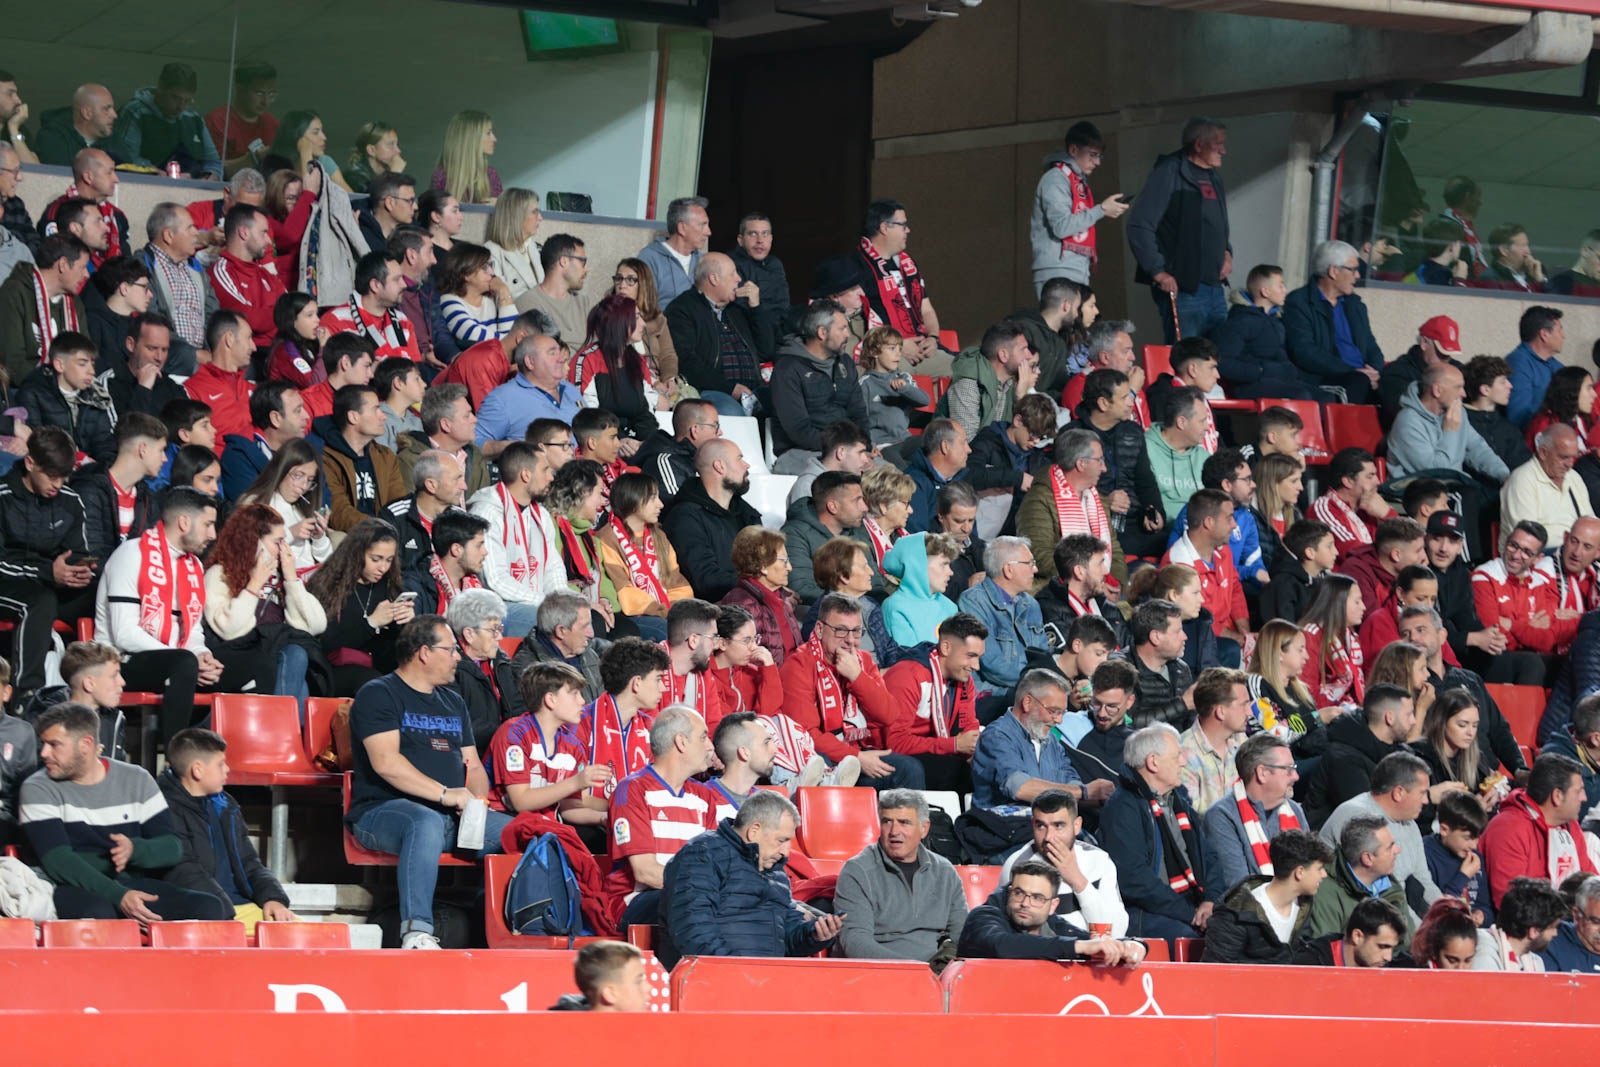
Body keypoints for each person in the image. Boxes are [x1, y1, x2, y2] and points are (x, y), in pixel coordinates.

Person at [345, 615, 509, 948]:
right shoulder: (379, 693)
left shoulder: (454, 702)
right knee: (424, 821)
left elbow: (474, 766)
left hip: (451, 819)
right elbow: (387, 763)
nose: (458, 657)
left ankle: (510, 930)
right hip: (381, 814)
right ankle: (416, 931)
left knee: (523, 832)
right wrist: (446, 794)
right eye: (450, 650)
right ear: (424, 652)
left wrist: (477, 804)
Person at [20, 702, 230, 922]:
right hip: (70, 886)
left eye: (54, 745)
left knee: (209, 908)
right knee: (99, 913)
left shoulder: (136, 779)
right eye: (43, 744)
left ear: (86, 744)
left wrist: (134, 850)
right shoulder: (37, 787)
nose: (44, 753)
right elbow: (59, 861)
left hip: (132, 883)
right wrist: (119, 896)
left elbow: (172, 847)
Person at [658, 789, 840, 967]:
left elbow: (786, 939)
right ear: (754, 831)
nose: (786, 851)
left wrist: (814, 934)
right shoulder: (702, 854)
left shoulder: (776, 873)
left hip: (763, 981)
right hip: (715, 980)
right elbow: (694, 930)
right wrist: (737, 972)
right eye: (781, 840)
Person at [781, 593, 924, 789]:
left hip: (861, 749)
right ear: (820, 629)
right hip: (824, 758)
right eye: (841, 631)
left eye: (856, 632)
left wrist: (858, 677)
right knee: (820, 763)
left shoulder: (863, 661)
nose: (850, 640)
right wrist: (855, 757)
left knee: (909, 769)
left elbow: (888, 715)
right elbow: (806, 735)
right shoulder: (798, 665)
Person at [157, 728, 294, 929]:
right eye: (220, 764)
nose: (227, 769)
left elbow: (250, 862)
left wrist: (273, 898)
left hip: (242, 907)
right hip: (211, 912)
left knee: (312, 938)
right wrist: (224, 911)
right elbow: (184, 871)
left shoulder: (225, 805)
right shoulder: (164, 809)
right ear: (197, 770)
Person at [603, 702, 718, 927]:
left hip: (690, 895)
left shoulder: (704, 796)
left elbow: (712, 865)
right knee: (694, 902)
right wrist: (705, 888)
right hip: (636, 901)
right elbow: (645, 873)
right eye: (703, 737)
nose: (710, 746)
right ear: (681, 742)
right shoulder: (633, 789)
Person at [0, 427, 96, 698]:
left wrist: (80, 570)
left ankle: (90, 693)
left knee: (102, 591)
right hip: (9, 581)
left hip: (51, 581)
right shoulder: (3, 496)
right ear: (30, 464)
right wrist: (47, 572)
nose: (58, 484)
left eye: (64, 477)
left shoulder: (71, 502)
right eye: (52, 476)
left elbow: (77, 551)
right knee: (40, 601)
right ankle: (25, 695)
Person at [1099, 722, 1212, 939]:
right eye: (1176, 756)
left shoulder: (1179, 801)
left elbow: (1209, 856)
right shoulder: (1123, 807)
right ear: (1153, 762)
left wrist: (1210, 901)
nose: (1183, 761)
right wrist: (1190, 913)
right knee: (1193, 939)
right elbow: (1134, 880)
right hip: (1144, 912)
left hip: (1191, 904)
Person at [1125, 117, 1231, 342]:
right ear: (1199, 144)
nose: (1224, 150)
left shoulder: (1213, 176)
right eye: (1218, 143)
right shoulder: (1169, 173)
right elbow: (1139, 225)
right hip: (1185, 290)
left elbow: (1217, 224)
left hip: (1215, 287)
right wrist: (1158, 272)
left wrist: (1227, 252)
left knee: (1218, 356)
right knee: (1187, 357)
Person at [833, 789, 966, 960]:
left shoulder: (945, 871)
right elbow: (855, 942)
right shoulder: (857, 871)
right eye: (887, 822)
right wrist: (914, 970)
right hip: (880, 974)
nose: (894, 831)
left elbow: (961, 934)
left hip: (936, 971)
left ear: (924, 828)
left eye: (904, 822)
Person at [1320, 750, 1448, 922]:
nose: (1426, 800)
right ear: (1399, 793)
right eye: (1422, 793)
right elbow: (1382, 895)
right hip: (1356, 917)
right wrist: (1424, 937)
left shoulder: (1409, 823)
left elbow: (1423, 881)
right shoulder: (1357, 817)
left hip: (1396, 915)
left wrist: (1449, 914)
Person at [486, 661, 608, 825]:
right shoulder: (514, 734)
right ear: (550, 700)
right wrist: (575, 782)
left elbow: (571, 807)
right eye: (575, 693)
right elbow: (520, 801)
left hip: (544, 825)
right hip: (502, 819)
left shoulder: (573, 745)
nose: (583, 701)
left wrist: (609, 814)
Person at [958, 858, 1145, 965]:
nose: (1025, 903)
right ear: (1009, 892)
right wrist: (1079, 947)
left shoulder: (1052, 925)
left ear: (1053, 906)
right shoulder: (983, 917)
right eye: (1019, 893)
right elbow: (1001, 945)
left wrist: (1134, 945)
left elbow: (1091, 942)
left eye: (1037, 898)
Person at [997, 788, 1130, 934]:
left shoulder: (1099, 861)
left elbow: (1115, 932)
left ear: (1076, 826)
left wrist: (1078, 881)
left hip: (1094, 952)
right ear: (1033, 823)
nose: (1048, 837)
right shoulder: (1017, 864)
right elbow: (1007, 930)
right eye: (1041, 826)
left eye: (1058, 826)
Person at [306, 517, 414, 695]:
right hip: (333, 670)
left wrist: (405, 624)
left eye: (388, 560)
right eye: (376, 559)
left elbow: (388, 647)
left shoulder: (388, 586)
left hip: (377, 668)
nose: (383, 567)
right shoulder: (328, 585)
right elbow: (324, 643)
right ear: (357, 553)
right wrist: (370, 623)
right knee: (373, 683)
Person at [466, 441, 563, 638]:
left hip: (535, 601)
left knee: (582, 617)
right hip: (496, 608)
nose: (551, 477)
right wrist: (547, 603)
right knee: (556, 622)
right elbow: (495, 581)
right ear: (526, 474)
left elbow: (553, 568)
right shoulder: (487, 512)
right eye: (545, 470)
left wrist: (565, 602)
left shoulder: (541, 514)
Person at [881, 613, 985, 792]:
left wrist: (974, 749)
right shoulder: (907, 675)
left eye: (978, 657)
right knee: (956, 772)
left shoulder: (964, 679)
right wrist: (953, 745)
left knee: (986, 767)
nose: (976, 666)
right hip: (891, 757)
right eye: (970, 656)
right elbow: (895, 742)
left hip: (933, 751)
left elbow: (969, 725)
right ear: (946, 647)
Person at [1202, 732, 1311, 902]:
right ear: (1262, 773)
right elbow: (1239, 886)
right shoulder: (1222, 816)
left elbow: (1311, 872)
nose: (1296, 777)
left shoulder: (1295, 811)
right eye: (1288, 769)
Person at [968, 667, 1092, 815]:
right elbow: (1020, 788)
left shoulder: (1051, 741)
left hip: (1044, 826)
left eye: (1062, 713)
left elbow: (1071, 781)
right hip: (1002, 828)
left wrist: (1099, 794)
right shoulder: (996, 736)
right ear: (1027, 702)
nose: (1059, 720)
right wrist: (1083, 791)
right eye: (1053, 711)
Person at [1480, 753, 1594, 907]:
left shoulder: (1569, 825)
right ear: (1557, 796)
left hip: (1572, 922)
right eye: (1579, 791)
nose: (1584, 798)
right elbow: (1512, 905)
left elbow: (1591, 884)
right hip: (1532, 926)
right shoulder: (1508, 829)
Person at [1202, 830, 1332, 964]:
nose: (1324, 875)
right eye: (1319, 868)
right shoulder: (1235, 913)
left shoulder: (1303, 906)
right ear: (1299, 872)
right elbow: (1215, 972)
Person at [1030, 121, 1129, 291]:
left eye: (1099, 156)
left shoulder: (1077, 182)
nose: (1097, 162)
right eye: (1092, 154)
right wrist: (1101, 210)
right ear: (1074, 150)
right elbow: (1061, 227)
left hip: (1076, 268)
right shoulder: (1056, 178)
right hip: (1057, 270)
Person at [659, 437, 761, 603]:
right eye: (739, 459)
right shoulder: (684, 517)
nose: (746, 465)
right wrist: (759, 587)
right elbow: (705, 579)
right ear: (719, 466)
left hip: (750, 600)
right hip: (714, 611)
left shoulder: (746, 513)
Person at [666, 252, 766, 417]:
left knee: (783, 406)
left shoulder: (736, 310)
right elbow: (685, 361)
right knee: (731, 412)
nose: (738, 279)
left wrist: (756, 308)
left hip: (754, 388)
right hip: (713, 390)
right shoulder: (682, 309)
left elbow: (766, 349)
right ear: (714, 279)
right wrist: (730, 388)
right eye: (732, 273)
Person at [1283, 240, 1384, 403]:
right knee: (1359, 383)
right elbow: (1304, 351)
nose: (1357, 276)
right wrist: (1353, 371)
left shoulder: (1355, 305)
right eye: (1353, 270)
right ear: (1334, 271)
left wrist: (1375, 370)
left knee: (1399, 382)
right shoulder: (1299, 303)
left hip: (1362, 376)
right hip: (1326, 378)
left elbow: (1371, 345)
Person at [769, 300, 866, 469]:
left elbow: (859, 415)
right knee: (846, 478)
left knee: (889, 476)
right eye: (842, 328)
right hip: (800, 452)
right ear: (822, 332)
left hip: (845, 451)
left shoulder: (845, 363)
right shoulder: (788, 369)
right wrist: (843, 450)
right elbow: (799, 430)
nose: (847, 335)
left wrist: (864, 447)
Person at [1302, 683, 1413, 828]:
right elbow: (1366, 819)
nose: (1414, 721)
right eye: (1409, 715)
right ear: (1389, 718)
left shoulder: (1399, 751)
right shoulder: (1343, 758)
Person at [1472, 520, 1577, 671]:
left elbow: (1546, 640)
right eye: (1513, 545)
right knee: (1532, 664)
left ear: (1538, 558)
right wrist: (1528, 627)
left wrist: (1511, 624)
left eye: (1527, 552)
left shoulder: (1539, 583)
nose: (1516, 555)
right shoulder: (1483, 577)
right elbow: (1494, 638)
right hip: (1493, 659)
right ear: (1506, 541)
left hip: (1528, 661)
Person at [849, 199, 943, 366]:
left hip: (921, 346)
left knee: (966, 368)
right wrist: (895, 344)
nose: (908, 230)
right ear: (885, 228)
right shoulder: (857, 267)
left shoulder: (908, 264)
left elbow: (926, 309)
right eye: (903, 225)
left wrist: (933, 338)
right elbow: (854, 322)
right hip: (886, 353)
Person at [1164, 489, 1250, 663]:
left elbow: (1235, 591)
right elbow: (1202, 621)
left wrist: (1246, 635)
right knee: (1231, 650)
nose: (1234, 524)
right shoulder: (1180, 564)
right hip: (1194, 640)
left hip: (1222, 635)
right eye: (1229, 518)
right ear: (1209, 522)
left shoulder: (1223, 551)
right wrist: (1241, 640)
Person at [958, 536, 1050, 700]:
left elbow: (1043, 656)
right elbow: (993, 665)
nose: (1035, 569)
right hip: (995, 695)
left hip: (1031, 690)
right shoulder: (973, 601)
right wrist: (1038, 682)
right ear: (1008, 570)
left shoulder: (1031, 604)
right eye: (1029, 563)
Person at [1389, 363, 1509, 485]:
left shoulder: (1456, 412)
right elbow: (1437, 472)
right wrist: (1450, 432)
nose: (1464, 394)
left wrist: (1505, 476)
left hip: (1456, 487)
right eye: (1458, 387)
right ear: (1437, 390)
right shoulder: (1408, 422)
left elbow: (1477, 449)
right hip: (1422, 493)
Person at [1212, 264, 1319, 400]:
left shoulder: (1276, 322)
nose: (1285, 290)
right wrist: (1261, 370)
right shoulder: (1239, 322)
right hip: (1249, 386)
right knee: (1302, 396)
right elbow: (1224, 363)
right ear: (1265, 291)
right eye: (1280, 286)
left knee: (1326, 396)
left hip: (1278, 381)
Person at [233, 437, 331, 575]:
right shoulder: (255, 503)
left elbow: (328, 563)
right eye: (298, 476)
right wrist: (290, 533)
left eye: (309, 480)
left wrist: (319, 538)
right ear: (281, 469)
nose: (303, 486)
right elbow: (246, 552)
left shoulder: (301, 508)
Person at [319, 384, 408, 536]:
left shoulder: (385, 456)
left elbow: (399, 503)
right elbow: (338, 512)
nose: (383, 416)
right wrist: (380, 529)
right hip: (351, 538)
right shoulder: (326, 458)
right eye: (376, 410)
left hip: (386, 535)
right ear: (353, 417)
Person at [0, 233, 89, 385]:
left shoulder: (74, 303)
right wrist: (56, 386)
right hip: (26, 391)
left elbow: (86, 354)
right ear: (63, 264)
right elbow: (12, 361)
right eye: (82, 267)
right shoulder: (14, 293)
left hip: (68, 389)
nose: (86, 274)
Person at [442, 588, 524, 751]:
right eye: (494, 630)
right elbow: (460, 727)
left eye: (500, 629)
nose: (500, 637)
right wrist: (508, 733)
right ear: (469, 634)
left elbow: (518, 707)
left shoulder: (500, 661)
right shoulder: (449, 670)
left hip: (507, 749)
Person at [1304, 814, 1411, 938]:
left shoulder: (1390, 885)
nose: (1397, 850)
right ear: (1367, 859)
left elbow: (1408, 942)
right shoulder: (1324, 893)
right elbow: (1327, 950)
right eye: (1389, 847)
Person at [139, 203, 215, 376]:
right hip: (168, 354)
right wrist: (192, 354)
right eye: (190, 228)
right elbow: (151, 319)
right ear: (168, 235)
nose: (197, 233)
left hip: (202, 354)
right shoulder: (143, 266)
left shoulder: (196, 269)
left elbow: (213, 314)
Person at [783, 470, 874, 606]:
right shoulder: (794, 534)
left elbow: (876, 585)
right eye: (857, 500)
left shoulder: (857, 531)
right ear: (833, 507)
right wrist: (853, 603)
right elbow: (802, 588)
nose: (865, 507)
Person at [476, 332, 581, 447]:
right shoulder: (503, 399)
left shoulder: (570, 389)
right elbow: (474, 444)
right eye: (552, 353)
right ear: (530, 362)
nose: (561, 359)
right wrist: (517, 448)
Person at [941, 320, 1038, 445]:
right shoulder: (969, 383)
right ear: (1003, 355)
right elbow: (967, 442)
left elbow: (1027, 437)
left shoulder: (1011, 384)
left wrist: (1021, 397)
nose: (1029, 355)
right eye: (1023, 349)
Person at [1502, 425, 1594, 554]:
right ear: (1543, 453)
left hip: (1574, 553)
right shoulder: (1522, 480)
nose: (1570, 464)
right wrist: (1574, 541)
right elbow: (1528, 537)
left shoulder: (1573, 477)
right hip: (1536, 557)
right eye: (1563, 457)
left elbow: (1590, 522)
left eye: (1573, 457)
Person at [319, 251, 420, 364]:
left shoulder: (403, 321)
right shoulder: (335, 321)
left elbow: (416, 370)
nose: (404, 285)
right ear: (375, 285)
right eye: (397, 279)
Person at [718, 526, 801, 663]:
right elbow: (747, 663)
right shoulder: (741, 604)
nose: (790, 567)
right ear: (763, 566)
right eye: (784, 561)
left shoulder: (782, 598)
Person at [208, 204, 285, 351]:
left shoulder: (265, 274)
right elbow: (249, 319)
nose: (269, 241)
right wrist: (280, 315)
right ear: (244, 233)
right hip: (249, 355)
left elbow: (292, 311)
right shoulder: (221, 273)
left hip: (277, 351)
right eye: (263, 233)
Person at [1175, 667, 1250, 814]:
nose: (1249, 712)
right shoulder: (1183, 754)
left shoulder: (1241, 741)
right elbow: (1194, 817)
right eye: (1243, 705)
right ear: (1221, 712)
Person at [396, 383, 491, 493]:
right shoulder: (411, 461)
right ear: (445, 425)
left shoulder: (474, 455)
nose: (475, 420)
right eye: (466, 416)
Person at [219, 379, 306, 499]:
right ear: (276, 418)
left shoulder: (306, 449)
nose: (306, 416)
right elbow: (250, 513)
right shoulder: (239, 457)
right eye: (298, 410)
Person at [1424, 790, 1495, 927]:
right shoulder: (1426, 854)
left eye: (1477, 838)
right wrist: (1463, 876)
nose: (1474, 845)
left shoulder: (1474, 857)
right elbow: (1435, 912)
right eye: (1467, 838)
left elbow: (1486, 906)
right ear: (1444, 830)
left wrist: (1482, 916)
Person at [1308, 448, 1392, 562]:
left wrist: (1388, 514)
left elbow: (1403, 547)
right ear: (1348, 481)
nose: (1378, 482)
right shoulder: (1325, 508)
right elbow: (1356, 555)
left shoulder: (1370, 509)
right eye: (1370, 476)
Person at [187, 310, 256, 450]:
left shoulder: (251, 389)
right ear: (229, 339)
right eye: (248, 338)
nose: (253, 347)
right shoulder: (193, 390)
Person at [1377, 314, 1464, 424]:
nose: (1446, 359)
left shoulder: (1457, 370)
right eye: (1441, 353)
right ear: (1424, 343)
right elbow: (1406, 414)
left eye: (1449, 354)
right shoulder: (1396, 373)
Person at [388, 227, 455, 370]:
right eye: (430, 251)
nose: (434, 260)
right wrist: (421, 356)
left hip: (435, 362)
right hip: (407, 367)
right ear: (411, 256)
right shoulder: (388, 295)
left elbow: (440, 333)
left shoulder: (427, 289)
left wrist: (455, 357)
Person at [1059, 320, 1148, 427]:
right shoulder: (1080, 388)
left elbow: (1146, 428)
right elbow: (1099, 434)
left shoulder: (1131, 381)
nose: (1133, 357)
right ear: (1105, 357)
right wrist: (1131, 392)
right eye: (1126, 351)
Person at [433, 241, 517, 353]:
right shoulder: (449, 302)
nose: (492, 272)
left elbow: (515, 334)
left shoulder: (494, 296)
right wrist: (503, 292)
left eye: (491, 266)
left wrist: (504, 293)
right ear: (466, 274)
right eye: (484, 267)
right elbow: (474, 336)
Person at [857, 327, 929, 451]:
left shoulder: (903, 377)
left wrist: (905, 389)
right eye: (892, 348)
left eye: (900, 349)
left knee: (931, 446)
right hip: (882, 444)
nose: (898, 353)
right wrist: (870, 444)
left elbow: (924, 400)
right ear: (874, 352)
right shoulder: (865, 383)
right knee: (900, 468)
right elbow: (860, 420)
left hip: (905, 439)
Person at [1475, 876, 1566, 971]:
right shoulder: (1484, 956)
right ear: (1534, 931)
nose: (1555, 933)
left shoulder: (1535, 962)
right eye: (1553, 927)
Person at [205, 62, 278, 176]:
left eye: (271, 94)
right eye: (259, 93)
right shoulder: (217, 121)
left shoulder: (273, 125)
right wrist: (255, 157)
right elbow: (216, 170)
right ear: (240, 89)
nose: (265, 101)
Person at [1462, 355, 1532, 473]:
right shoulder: (1461, 422)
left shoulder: (1509, 428)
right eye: (1503, 382)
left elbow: (1524, 468)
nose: (1510, 386)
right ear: (1485, 390)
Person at [1294, 896, 1408, 967]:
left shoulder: (1384, 968)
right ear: (1357, 936)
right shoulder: (1311, 964)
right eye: (1382, 946)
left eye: (1392, 948)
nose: (1388, 957)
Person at [83, 255, 152, 374]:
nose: (150, 294)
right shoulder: (93, 323)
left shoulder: (139, 326)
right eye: (144, 287)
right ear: (124, 288)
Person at [638, 196, 710, 306]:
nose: (708, 232)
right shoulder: (650, 259)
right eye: (702, 225)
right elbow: (644, 308)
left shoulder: (703, 261)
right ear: (682, 228)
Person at [905, 419, 973, 536]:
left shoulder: (961, 483)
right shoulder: (913, 484)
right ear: (945, 446)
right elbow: (919, 538)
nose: (969, 450)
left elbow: (971, 536)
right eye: (963, 443)